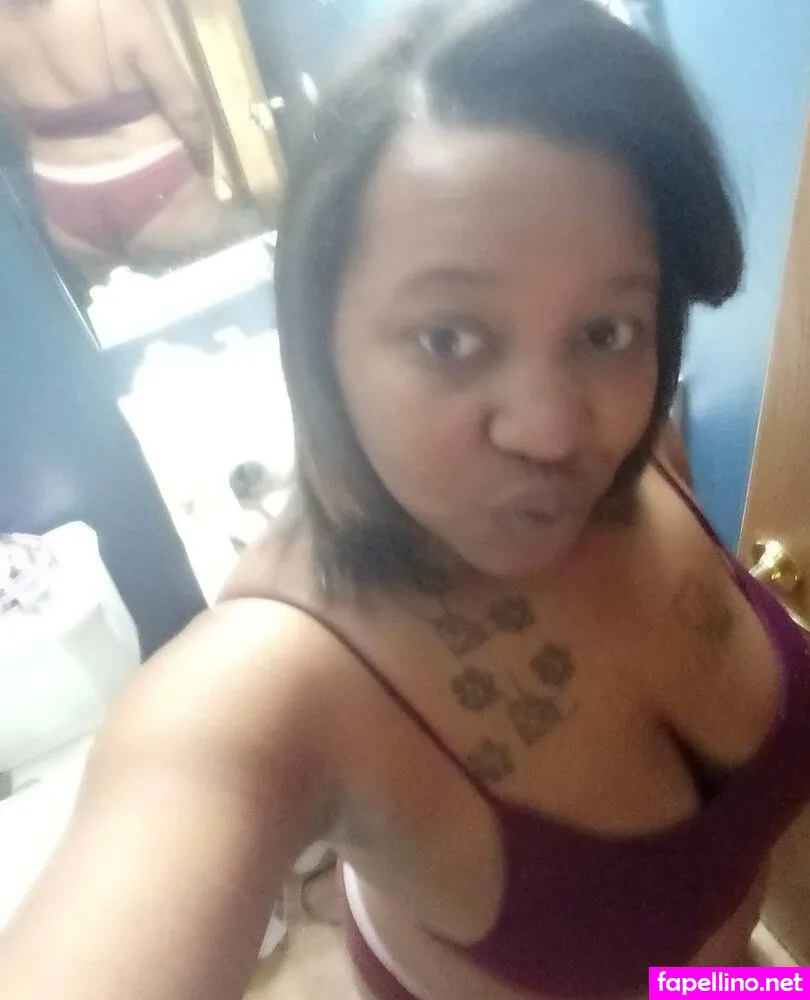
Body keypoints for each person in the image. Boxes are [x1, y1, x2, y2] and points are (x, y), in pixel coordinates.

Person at [2, 2, 810, 999]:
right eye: (449, 338)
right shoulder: (271, 684)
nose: (553, 431)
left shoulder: (642, 455)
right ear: (321, 339)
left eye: (606, 329)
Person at [0, 0, 234, 286]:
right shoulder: (118, 5)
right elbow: (188, 111)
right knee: (224, 292)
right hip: (153, 177)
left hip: (63, 193)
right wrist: (202, 172)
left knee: (124, 310)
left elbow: (13, 119)